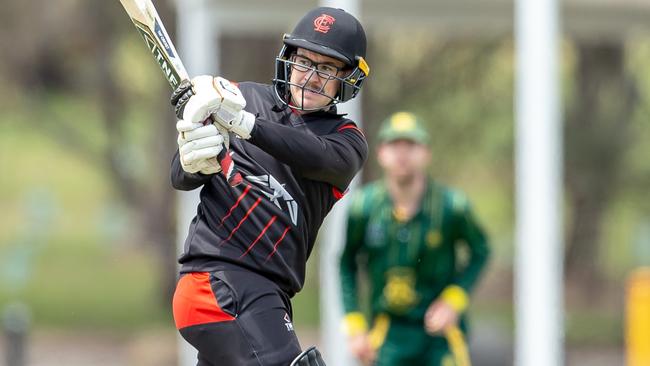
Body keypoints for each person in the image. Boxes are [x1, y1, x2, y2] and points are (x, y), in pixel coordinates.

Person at [169, 7, 370, 366]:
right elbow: (180, 177)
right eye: (304, 62)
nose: (310, 78)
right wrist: (191, 161)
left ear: (347, 78)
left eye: (326, 69)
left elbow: (312, 154)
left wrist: (245, 124)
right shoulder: (242, 97)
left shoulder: (346, 141)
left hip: (268, 295)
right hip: (219, 283)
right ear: (288, 61)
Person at [339, 112, 491, 366]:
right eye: (394, 144)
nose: (402, 154)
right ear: (380, 153)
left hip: (440, 335)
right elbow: (346, 264)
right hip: (388, 334)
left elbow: (481, 250)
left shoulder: (452, 206)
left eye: (410, 145)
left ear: (426, 153)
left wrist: (453, 301)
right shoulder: (364, 207)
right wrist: (354, 326)